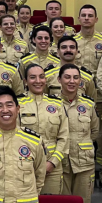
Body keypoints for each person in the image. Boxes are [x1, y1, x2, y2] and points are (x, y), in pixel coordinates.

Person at [58, 64, 100, 203]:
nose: (71, 81)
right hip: (61, 164)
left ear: (80, 81)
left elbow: (95, 131)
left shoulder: (88, 105)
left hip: (84, 163)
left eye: (75, 78)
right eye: (67, 77)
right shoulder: (51, 104)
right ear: (59, 79)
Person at [18, 64, 68, 194]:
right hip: (24, 165)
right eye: (33, 77)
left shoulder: (57, 103)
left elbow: (64, 138)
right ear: (25, 81)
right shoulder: (17, 104)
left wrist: (52, 162)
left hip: (52, 167)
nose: (38, 81)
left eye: (41, 77)